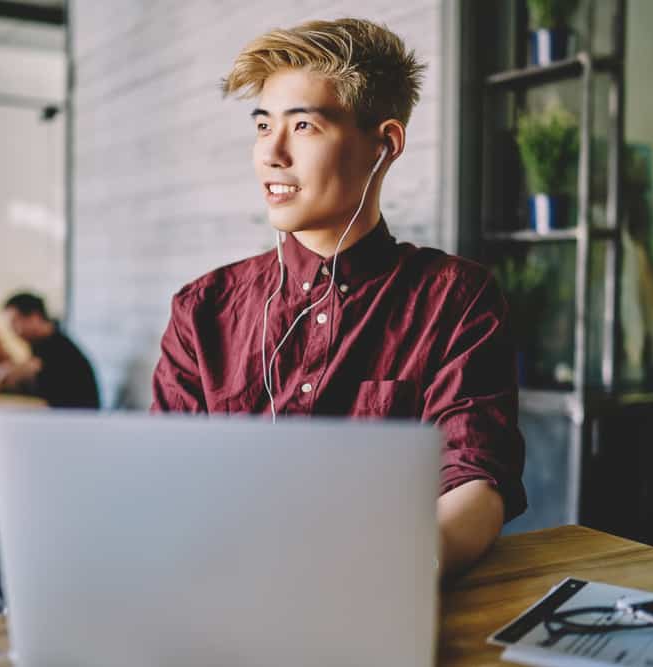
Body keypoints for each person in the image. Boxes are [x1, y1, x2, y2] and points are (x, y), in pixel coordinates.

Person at [150, 18, 527, 576]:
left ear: (385, 145)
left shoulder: (456, 299)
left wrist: (399, 570)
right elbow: (162, 484)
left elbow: (473, 477)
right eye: (262, 126)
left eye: (303, 126)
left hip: (387, 600)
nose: (271, 154)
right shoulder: (202, 310)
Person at [0, 292, 100, 408]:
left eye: (15, 322)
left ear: (35, 317)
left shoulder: (58, 347)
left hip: (75, 418)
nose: (14, 330)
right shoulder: (43, 343)